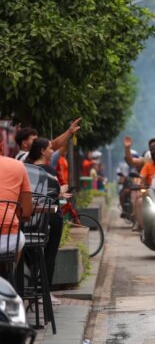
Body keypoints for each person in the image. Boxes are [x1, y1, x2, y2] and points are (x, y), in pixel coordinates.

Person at [24, 138, 67, 304]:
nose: (52, 151)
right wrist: (60, 191)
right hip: (49, 218)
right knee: (49, 254)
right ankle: (45, 291)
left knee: (33, 255)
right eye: (50, 148)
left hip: (29, 220)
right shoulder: (47, 170)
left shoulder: (26, 168)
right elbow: (54, 192)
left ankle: (32, 288)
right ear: (42, 150)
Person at [0, 134, 32, 270]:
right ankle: (8, 279)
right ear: (1, 145)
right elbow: (27, 212)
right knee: (20, 238)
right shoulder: (18, 166)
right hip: (8, 239)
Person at [15, 118, 82, 162]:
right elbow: (53, 145)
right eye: (34, 140)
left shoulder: (19, 158)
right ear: (24, 143)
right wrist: (69, 132)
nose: (37, 142)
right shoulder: (26, 157)